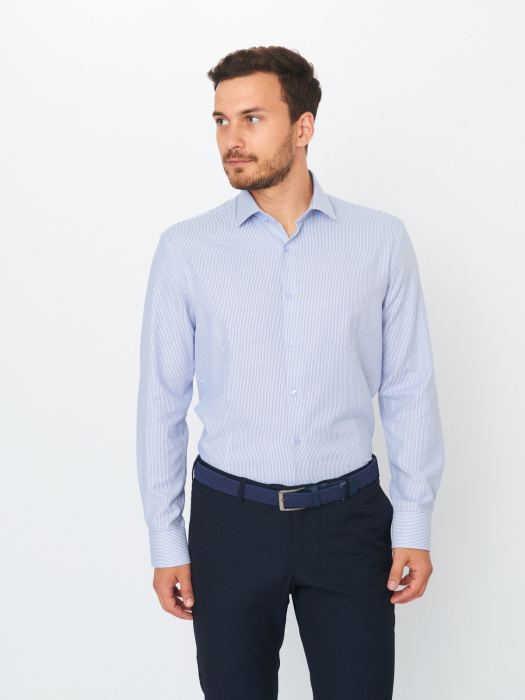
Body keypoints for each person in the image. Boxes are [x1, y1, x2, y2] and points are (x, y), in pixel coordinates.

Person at [136, 45, 445, 700]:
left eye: (252, 119)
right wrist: (167, 539)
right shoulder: (186, 249)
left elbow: (407, 386)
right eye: (221, 121)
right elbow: (161, 402)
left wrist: (413, 522)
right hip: (229, 524)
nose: (232, 139)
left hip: (349, 520)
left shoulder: (380, 240)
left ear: (303, 127)